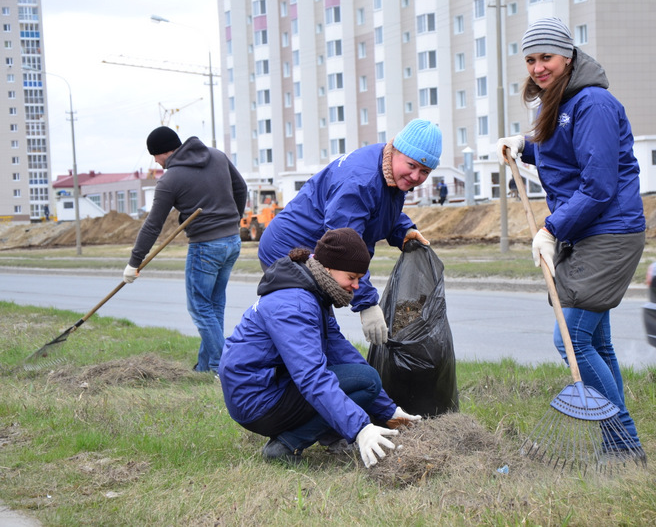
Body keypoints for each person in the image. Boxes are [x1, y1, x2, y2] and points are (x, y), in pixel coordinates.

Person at [496, 18, 646, 456]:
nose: (538, 67)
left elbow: (599, 184)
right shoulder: (559, 100)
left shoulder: (593, 102)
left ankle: (623, 443)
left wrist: (550, 229)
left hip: (608, 231)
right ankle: (618, 443)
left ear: (568, 56)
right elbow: (562, 143)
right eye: (531, 60)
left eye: (546, 58)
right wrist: (524, 143)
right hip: (588, 229)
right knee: (597, 341)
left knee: (572, 340)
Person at [219, 228, 421, 467]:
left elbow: (341, 353)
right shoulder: (295, 304)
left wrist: (389, 412)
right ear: (328, 268)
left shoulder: (313, 291)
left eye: (360, 278)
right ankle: (286, 444)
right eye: (352, 277)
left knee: (365, 378)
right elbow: (311, 376)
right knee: (364, 382)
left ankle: (326, 431)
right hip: (256, 400)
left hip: (266, 386)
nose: (356, 286)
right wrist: (361, 428)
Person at [257, 118, 440, 345]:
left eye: (424, 171)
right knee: (305, 322)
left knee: (319, 326)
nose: (415, 177)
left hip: (318, 248)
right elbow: (345, 247)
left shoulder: (389, 170)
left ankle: (319, 370)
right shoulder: (360, 181)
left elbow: (378, 208)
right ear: (395, 150)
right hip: (289, 248)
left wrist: (403, 230)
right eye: (411, 166)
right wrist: (367, 304)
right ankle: (282, 372)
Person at [123, 126, 247, 373]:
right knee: (213, 306)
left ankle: (226, 369)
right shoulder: (217, 156)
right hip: (232, 242)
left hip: (205, 247)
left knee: (200, 308)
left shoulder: (170, 179)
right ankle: (206, 366)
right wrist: (232, 221)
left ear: (162, 152)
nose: (156, 162)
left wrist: (134, 262)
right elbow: (241, 188)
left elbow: (153, 225)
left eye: (155, 156)